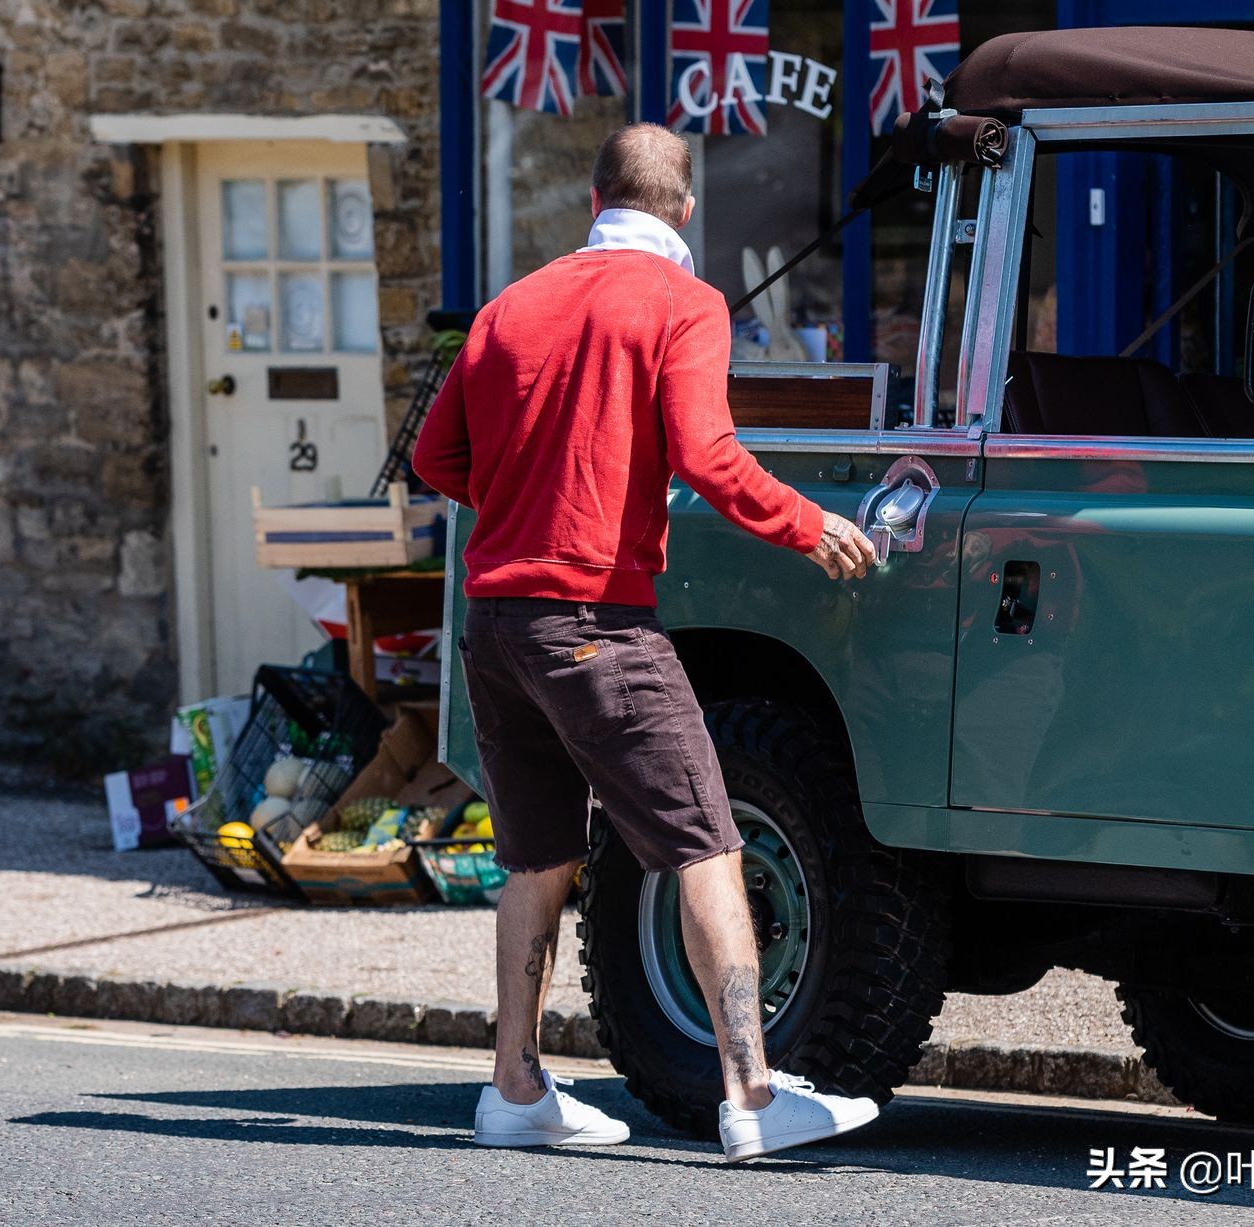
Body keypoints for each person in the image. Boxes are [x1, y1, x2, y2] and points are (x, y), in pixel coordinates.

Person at [412, 123, 879, 1161]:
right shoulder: (684, 304)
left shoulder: (509, 307)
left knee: (535, 853)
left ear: (593, 199)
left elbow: (438, 458)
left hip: (495, 621)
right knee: (705, 839)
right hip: (594, 624)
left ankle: (515, 1088)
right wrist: (812, 525)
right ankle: (753, 1096)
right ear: (684, 209)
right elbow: (709, 456)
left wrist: (530, 491)